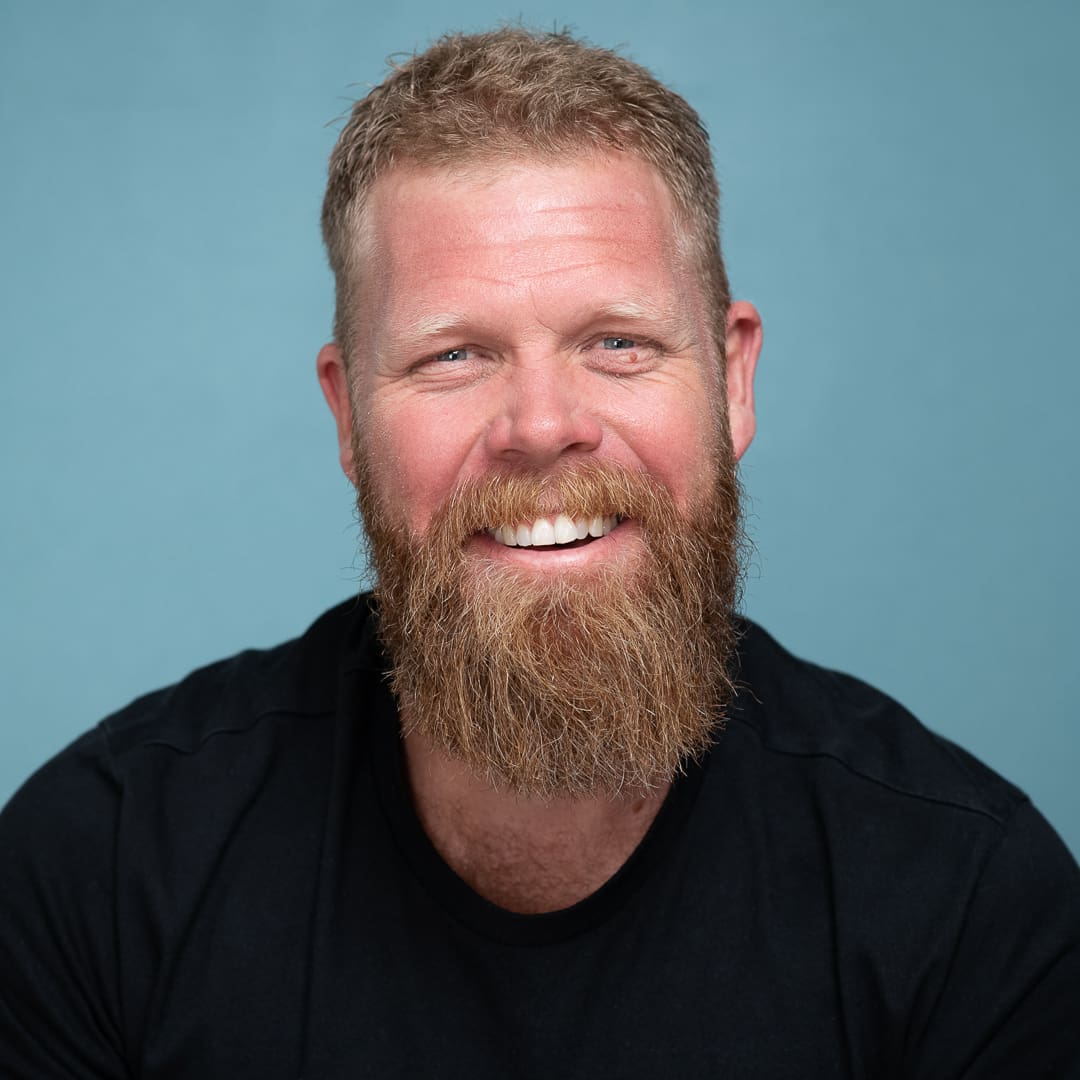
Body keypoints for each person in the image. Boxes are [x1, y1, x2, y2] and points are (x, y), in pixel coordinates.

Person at [1, 27, 1077, 1079]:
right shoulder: (94, 872)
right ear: (346, 417)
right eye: (454, 354)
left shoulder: (971, 904)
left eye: (619, 343)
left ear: (733, 380)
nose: (542, 424)